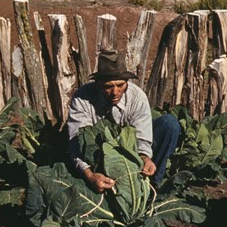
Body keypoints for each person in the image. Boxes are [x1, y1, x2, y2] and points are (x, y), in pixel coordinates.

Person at [67, 50, 180, 193]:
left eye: (120, 85)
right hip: (98, 158)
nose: (115, 92)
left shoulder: (137, 96)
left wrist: (145, 158)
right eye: (108, 86)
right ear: (98, 84)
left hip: (130, 154)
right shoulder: (82, 98)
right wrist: (89, 175)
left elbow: (142, 137)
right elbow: (76, 142)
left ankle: (152, 187)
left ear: (127, 82)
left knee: (170, 124)